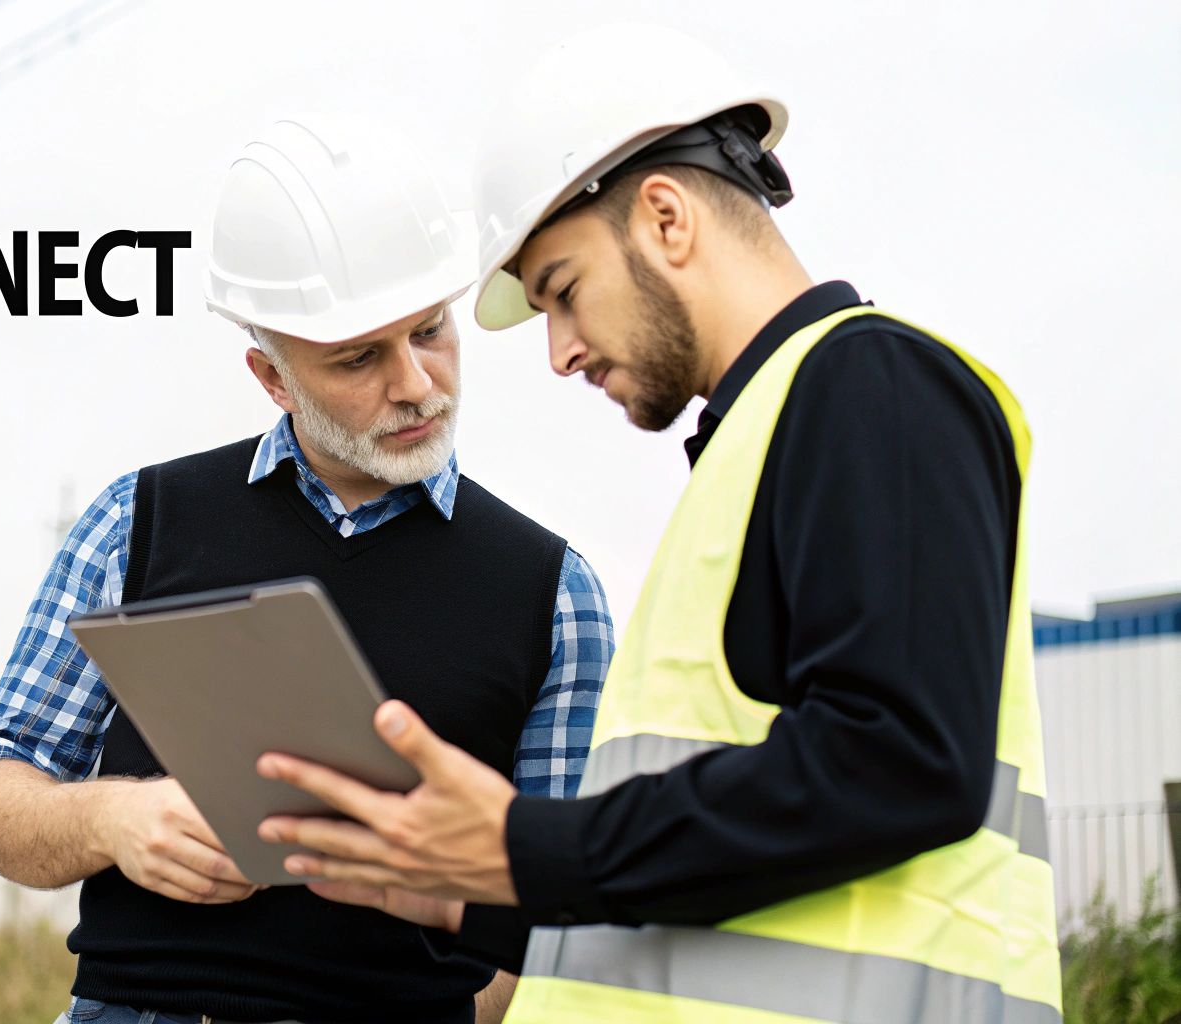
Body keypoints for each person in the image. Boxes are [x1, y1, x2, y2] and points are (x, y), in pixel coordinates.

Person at [253, 27, 1062, 1024]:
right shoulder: (759, 447)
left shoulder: (869, 386)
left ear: (665, 218)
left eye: (561, 291)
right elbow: (721, 889)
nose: (557, 352)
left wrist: (521, 843)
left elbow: (898, 762)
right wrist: (469, 891)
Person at [0, 114, 615, 1024]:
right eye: (359, 358)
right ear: (272, 377)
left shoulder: (554, 595)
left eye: (430, 331)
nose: (417, 382)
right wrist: (114, 822)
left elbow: (557, 918)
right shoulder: (136, 524)